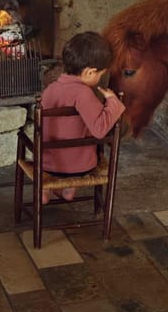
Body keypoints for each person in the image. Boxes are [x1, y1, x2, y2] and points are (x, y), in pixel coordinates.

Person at [39, 31, 125, 204]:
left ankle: (45, 190)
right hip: (79, 168)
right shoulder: (84, 94)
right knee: (86, 141)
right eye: (100, 75)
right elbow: (100, 129)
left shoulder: (50, 89)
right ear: (89, 72)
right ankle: (70, 189)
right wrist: (113, 102)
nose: (100, 79)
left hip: (47, 165)